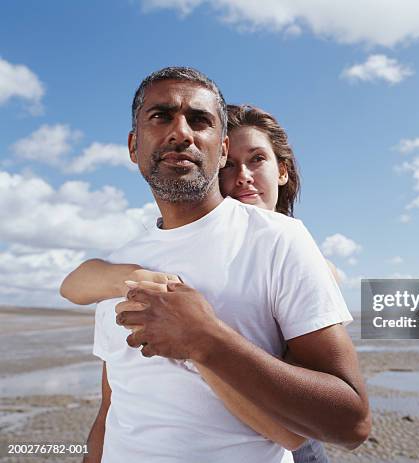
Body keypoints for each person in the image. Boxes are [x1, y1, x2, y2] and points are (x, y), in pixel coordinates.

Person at [60, 67, 370, 463]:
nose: (181, 132)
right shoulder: (122, 262)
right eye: (161, 116)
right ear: (133, 146)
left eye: (199, 120)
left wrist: (203, 339)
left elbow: (350, 424)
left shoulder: (279, 238)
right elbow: (112, 405)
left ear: (220, 148)